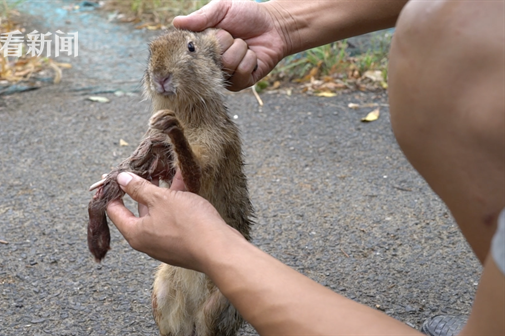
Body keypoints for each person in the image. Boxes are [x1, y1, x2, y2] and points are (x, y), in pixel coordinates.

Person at [104, 1, 505, 335]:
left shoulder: (213, 125)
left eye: (190, 51)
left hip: (212, 245)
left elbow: (199, 169)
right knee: (164, 293)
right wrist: (282, 22)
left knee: (214, 311)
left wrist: (211, 246)